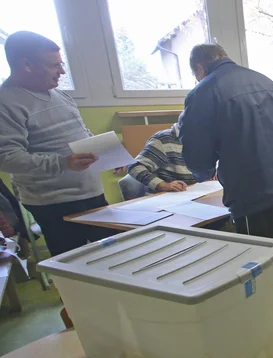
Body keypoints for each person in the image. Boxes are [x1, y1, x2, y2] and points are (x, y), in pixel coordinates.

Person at [180, 44, 273, 335]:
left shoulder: (203, 92)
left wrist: (204, 172)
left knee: (259, 257)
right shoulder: (266, 82)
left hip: (253, 191)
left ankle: (263, 322)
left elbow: (197, 154)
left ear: (199, 68)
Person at [0, 31, 114, 257]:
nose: (62, 71)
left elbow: (80, 134)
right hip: (54, 204)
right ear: (27, 64)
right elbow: (7, 157)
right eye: (54, 66)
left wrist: (107, 155)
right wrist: (62, 163)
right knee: (75, 267)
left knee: (113, 255)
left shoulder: (59, 95)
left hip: (91, 194)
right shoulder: (6, 102)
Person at [127, 121, 202, 193]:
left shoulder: (204, 138)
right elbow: (134, 167)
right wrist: (163, 185)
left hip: (197, 192)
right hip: (169, 196)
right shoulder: (163, 139)